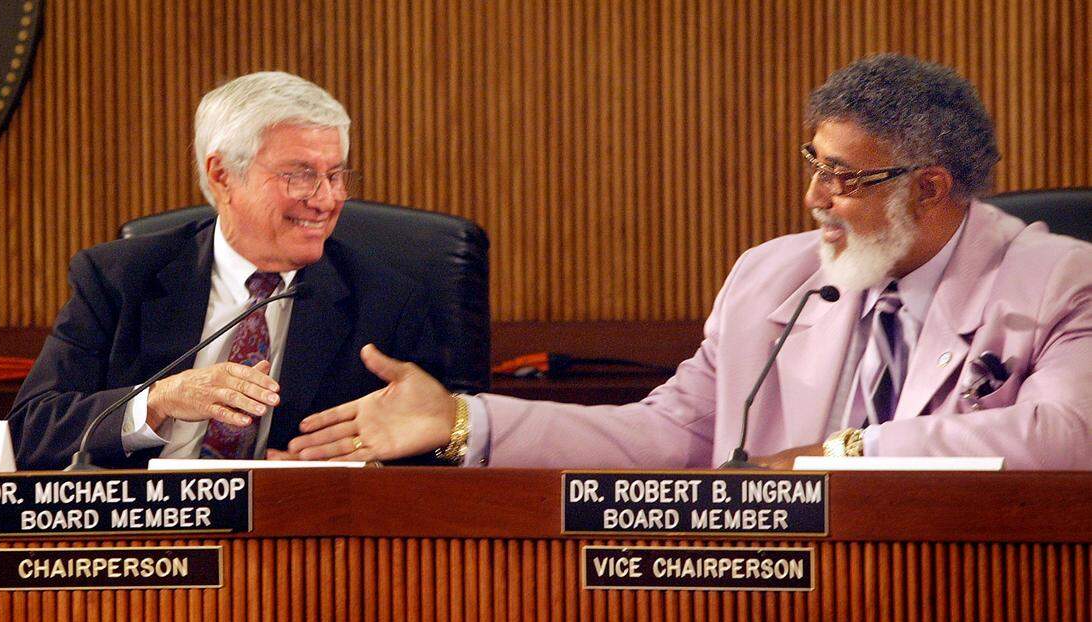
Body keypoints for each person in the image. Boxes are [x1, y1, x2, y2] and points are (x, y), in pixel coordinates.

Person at [279, 54, 1092, 471]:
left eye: (844, 178)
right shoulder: (771, 278)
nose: (815, 196)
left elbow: (1066, 436)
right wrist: (463, 420)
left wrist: (836, 457)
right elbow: (670, 433)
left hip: (974, 592)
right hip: (784, 595)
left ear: (932, 187)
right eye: (814, 162)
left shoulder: (1058, 282)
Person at [9, 71, 442, 470]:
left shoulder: (388, 301)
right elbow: (32, 431)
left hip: (297, 538)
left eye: (334, 175)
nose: (326, 200)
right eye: (300, 176)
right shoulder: (119, 278)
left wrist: (339, 475)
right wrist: (156, 401)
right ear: (222, 176)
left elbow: (436, 452)